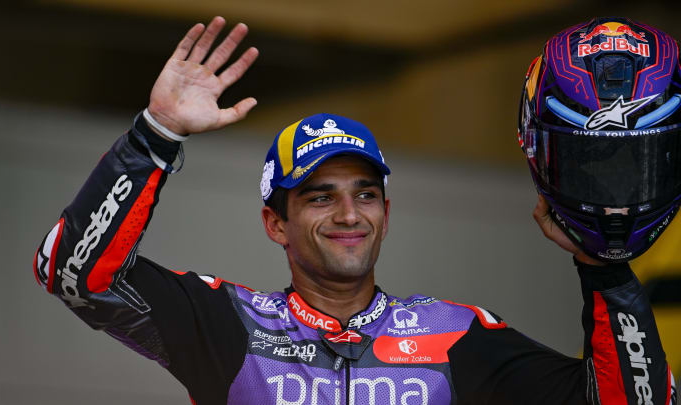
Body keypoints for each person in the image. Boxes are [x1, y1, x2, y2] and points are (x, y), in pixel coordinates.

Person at [34, 16, 676, 404]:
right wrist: (156, 135)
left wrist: (605, 269)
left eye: (364, 193)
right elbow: (71, 272)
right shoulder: (224, 322)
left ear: (386, 213)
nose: (348, 213)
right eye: (319, 195)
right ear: (274, 223)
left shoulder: (456, 334)